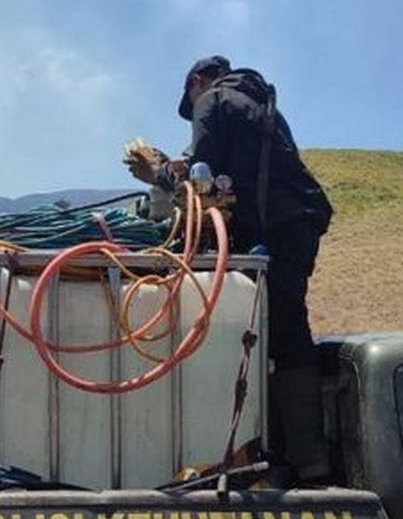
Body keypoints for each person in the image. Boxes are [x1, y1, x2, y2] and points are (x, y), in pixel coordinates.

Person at [130, 55, 333, 484]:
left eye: (190, 100)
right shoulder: (257, 103)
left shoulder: (213, 99)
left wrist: (155, 175)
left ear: (196, 82)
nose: (192, 112)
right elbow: (219, 170)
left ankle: (307, 461)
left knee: (283, 329)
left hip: (275, 227)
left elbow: (201, 184)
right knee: (280, 329)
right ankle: (287, 455)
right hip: (296, 222)